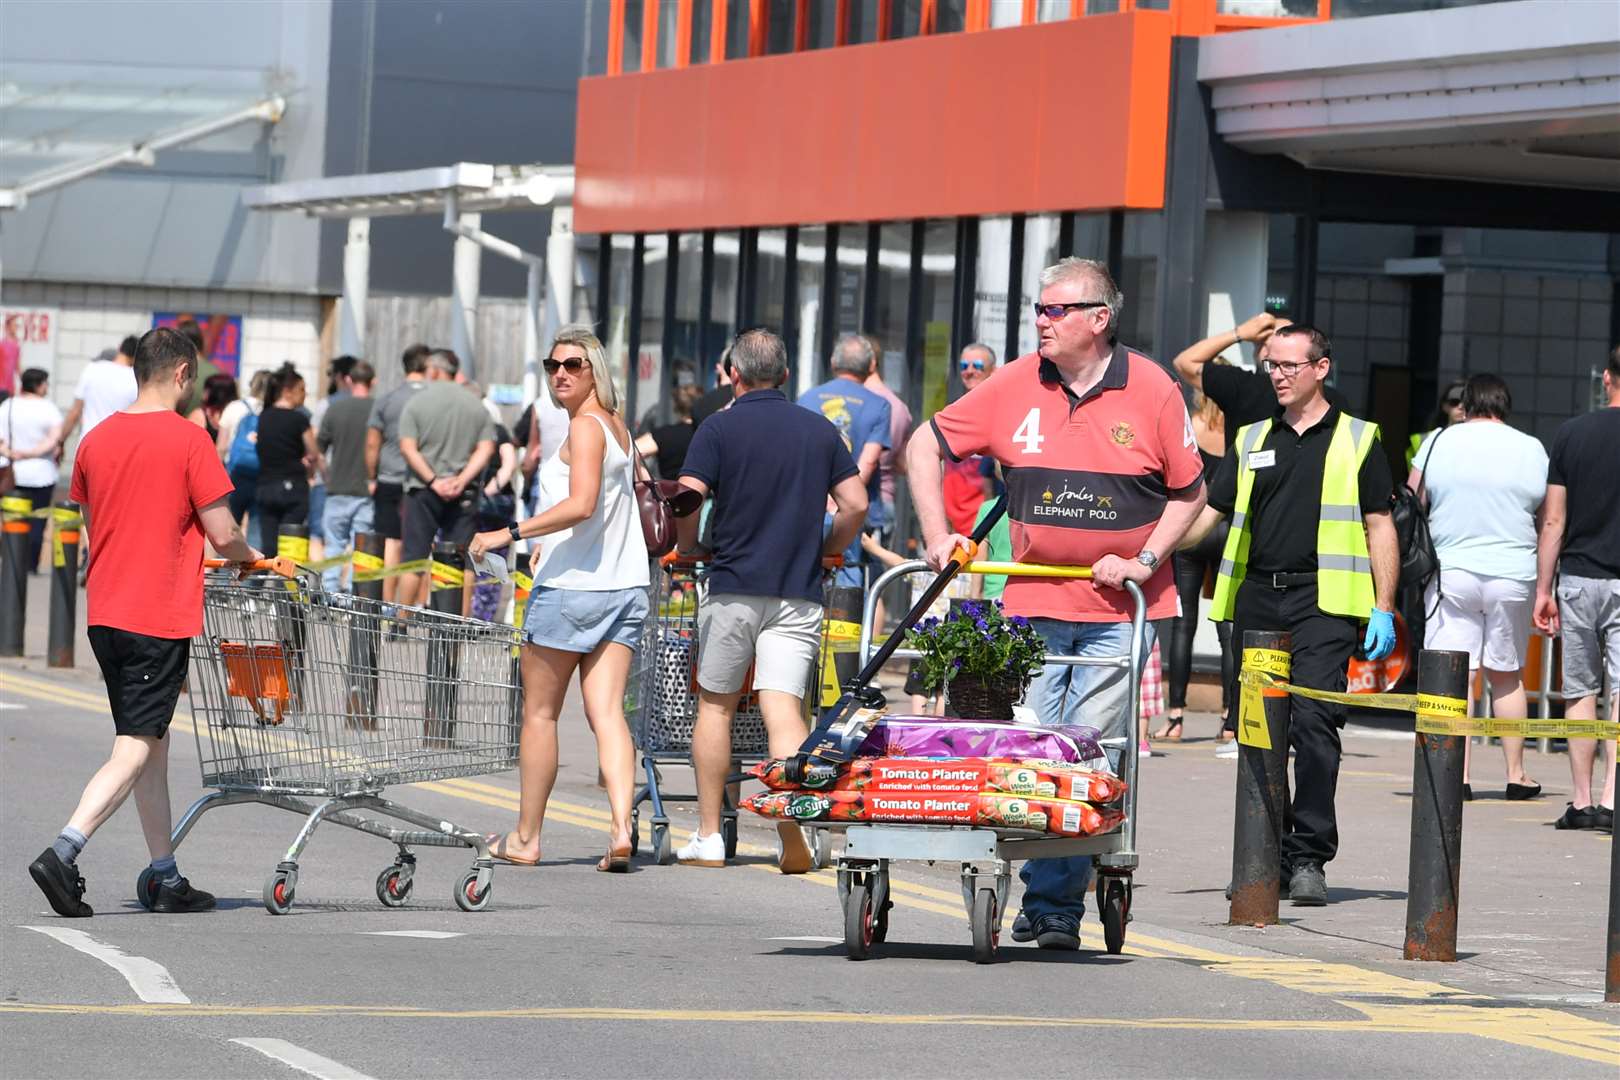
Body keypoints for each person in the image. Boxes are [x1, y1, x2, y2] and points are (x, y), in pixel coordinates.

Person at [909, 257, 1206, 949]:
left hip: (1119, 609)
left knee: (1082, 754)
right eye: (1038, 310)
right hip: (1031, 603)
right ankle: (1007, 879)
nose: (1041, 321)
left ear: (1099, 319)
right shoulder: (1016, 381)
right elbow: (926, 444)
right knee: (1028, 750)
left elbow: (1190, 492)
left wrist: (1142, 559)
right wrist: (936, 535)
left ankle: (1052, 907)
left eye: (1055, 311)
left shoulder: (1154, 389)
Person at [27, 327, 260, 919]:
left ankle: (165, 875)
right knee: (136, 744)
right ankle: (64, 849)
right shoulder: (189, 438)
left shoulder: (96, 439)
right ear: (183, 373)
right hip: (155, 613)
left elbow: (99, 516)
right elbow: (224, 531)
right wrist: (252, 560)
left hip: (106, 610)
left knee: (150, 740)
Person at [1182, 324, 1399, 906]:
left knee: (1314, 725)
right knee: (1257, 732)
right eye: (1269, 366)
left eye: (1286, 365)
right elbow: (1211, 515)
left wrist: (1383, 607)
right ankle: (1263, 852)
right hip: (1257, 600)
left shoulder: (1358, 438)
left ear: (1321, 368)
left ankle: (1308, 857)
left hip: (1324, 602)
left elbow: (1380, 522)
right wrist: (1153, 550)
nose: (1274, 375)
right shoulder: (1253, 437)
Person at [674, 328, 867, 870]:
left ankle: (710, 835)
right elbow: (854, 504)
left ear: (734, 374)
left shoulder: (718, 427)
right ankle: (793, 836)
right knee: (784, 711)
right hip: (798, 590)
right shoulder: (818, 430)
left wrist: (688, 547)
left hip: (733, 583)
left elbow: (688, 496)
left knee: (716, 704)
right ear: (785, 376)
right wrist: (828, 546)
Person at [467, 327, 648, 872]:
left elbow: (583, 503)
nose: (560, 373)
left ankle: (526, 837)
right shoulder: (619, 428)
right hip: (623, 586)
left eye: (573, 363)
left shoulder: (587, 428)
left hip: (572, 591)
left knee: (540, 715)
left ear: (596, 370)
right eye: (552, 365)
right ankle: (619, 826)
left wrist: (512, 534)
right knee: (607, 714)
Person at [1407, 373, 1546, 801]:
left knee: (1455, 676)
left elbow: (1414, 498)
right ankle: (1516, 773)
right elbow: (1545, 511)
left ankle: (1457, 774)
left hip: (1452, 572)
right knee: (1506, 676)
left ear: (1465, 405)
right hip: (1513, 573)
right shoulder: (1532, 448)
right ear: (1504, 405)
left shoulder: (1436, 442)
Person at [1533, 345, 1620, 833]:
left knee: (1581, 689)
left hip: (1580, 579)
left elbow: (1554, 521)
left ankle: (1583, 799)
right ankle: (1613, 796)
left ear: (1607, 378)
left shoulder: (1571, 434)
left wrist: (1544, 589)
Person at [1160, 378, 1235, 745]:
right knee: (1227, 626)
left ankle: (1175, 718)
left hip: (1192, 528)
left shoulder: (1190, 424)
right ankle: (1228, 718)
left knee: (1182, 624)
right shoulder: (1241, 429)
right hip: (1226, 528)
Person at [397, 349, 495, 608]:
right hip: (464, 490)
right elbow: (486, 448)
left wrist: (432, 480)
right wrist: (462, 479)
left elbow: (407, 447)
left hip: (422, 489)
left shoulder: (416, 402)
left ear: (436, 371)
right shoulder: (476, 405)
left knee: (414, 558)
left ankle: (401, 623)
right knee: (461, 560)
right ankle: (458, 624)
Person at [1172, 312, 1346, 449]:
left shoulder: (1333, 401)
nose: (1279, 375)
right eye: (1267, 342)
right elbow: (1183, 362)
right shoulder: (1243, 385)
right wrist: (1240, 333)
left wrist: (1240, 333)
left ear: (1321, 368)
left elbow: (1184, 362)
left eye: (1289, 362)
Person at [798, 335, 891, 589]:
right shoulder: (879, 405)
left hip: (810, 505)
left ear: (832, 362)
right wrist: (843, 496)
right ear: (871, 366)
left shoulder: (807, 398)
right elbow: (868, 461)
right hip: (854, 510)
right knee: (849, 576)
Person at [368, 345, 431, 604]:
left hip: (388, 478)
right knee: (422, 546)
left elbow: (372, 443)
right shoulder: (431, 398)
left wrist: (371, 477)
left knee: (391, 544)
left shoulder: (387, 399)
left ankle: (386, 603)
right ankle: (418, 604)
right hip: (422, 479)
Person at [317, 360, 377, 592]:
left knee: (333, 545)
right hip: (367, 488)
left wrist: (325, 475)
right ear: (373, 382)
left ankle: (329, 594)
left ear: (349, 380)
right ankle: (353, 594)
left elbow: (319, 449)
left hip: (337, 487)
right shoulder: (377, 408)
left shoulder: (335, 409)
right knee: (360, 546)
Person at [0, 368, 66, 572]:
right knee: (38, 521)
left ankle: (11, 562)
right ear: (38, 385)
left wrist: (13, 454)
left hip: (12, 472)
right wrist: (31, 453)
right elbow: (55, 438)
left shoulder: (8, 406)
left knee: (12, 519)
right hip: (41, 473)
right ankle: (31, 565)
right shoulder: (49, 408)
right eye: (45, 383)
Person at [255, 363, 323, 554]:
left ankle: (267, 581)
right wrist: (312, 470)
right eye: (301, 389)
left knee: (268, 545)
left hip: (265, 487)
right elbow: (314, 453)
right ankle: (287, 584)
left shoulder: (263, 416)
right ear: (287, 391)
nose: (304, 394)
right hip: (293, 488)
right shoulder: (299, 419)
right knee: (291, 546)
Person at [943, 343, 999, 535]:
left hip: (983, 526)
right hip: (950, 525)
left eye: (977, 365)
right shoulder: (953, 412)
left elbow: (991, 481)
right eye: (964, 366)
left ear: (993, 371)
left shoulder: (1000, 414)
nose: (969, 371)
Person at [864, 334, 913, 549]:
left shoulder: (857, 401)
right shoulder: (899, 406)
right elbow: (903, 464)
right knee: (877, 576)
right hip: (886, 499)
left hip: (858, 501)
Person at [218, 369, 269, 536]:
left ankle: (222, 561)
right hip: (262, 476)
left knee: (228, 530)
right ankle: (255, 561)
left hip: (234, 474)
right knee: (256, 531)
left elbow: (222, 446)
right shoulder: (270, 411)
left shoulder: (234, 407)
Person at [60, 342, 138, 443]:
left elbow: (75, 412)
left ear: (120, 349)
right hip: (117, 445)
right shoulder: (136, 379)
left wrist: (60, 441)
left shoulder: (92, 369)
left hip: (88, 442)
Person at [634, 382, 702, 479]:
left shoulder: (665, 434)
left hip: (669, 492)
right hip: (701, 492)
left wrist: (646, 479)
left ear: (676, 407)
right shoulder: (706, 434)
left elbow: (632, 451)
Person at [1407, 379, 1466, 469]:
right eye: (1454, 402)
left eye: (1466, 403)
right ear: (1444, 406)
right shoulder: (1423, 440)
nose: (1460, 406)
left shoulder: (1481, 441)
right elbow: (1413, 481)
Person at [187, 373, 238, 443]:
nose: (203, 394)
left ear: (220, 394)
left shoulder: (235, 413)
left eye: (207, 390)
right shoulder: (199, 416)